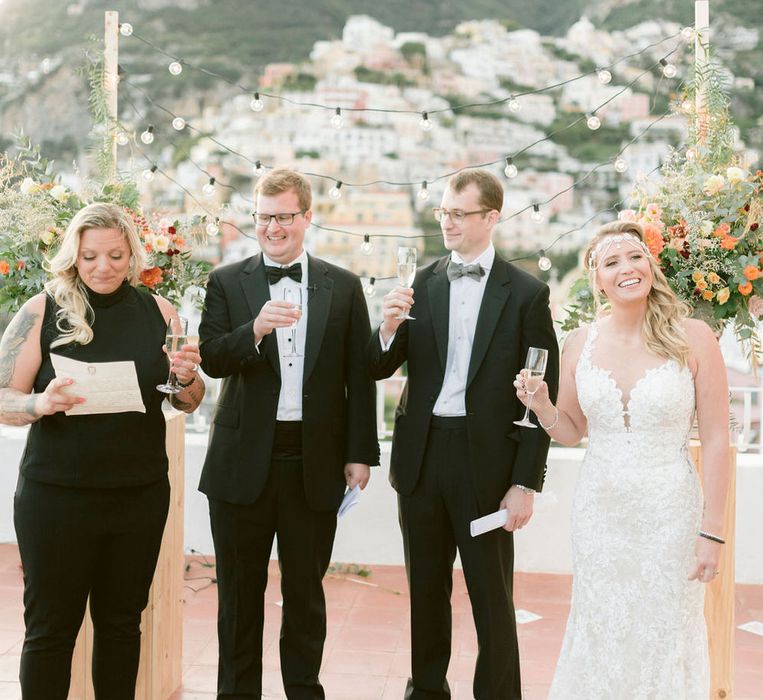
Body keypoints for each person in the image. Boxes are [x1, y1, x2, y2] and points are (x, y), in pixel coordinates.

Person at [515, 221, 730, 698]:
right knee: (602, 624)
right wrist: (543, 405)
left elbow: (716, 440)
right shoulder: (578, 342)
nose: (627, 268)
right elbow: (570, 431)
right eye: (611, 262)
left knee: (666, 630)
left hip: (671, 514)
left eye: (635, 257)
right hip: (600, 515)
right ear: (597, 280)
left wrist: (712, 532)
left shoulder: (695, 337)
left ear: (650, 265)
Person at [0, 202, 204, 699]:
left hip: (137, 496)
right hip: (56, 499)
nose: (103, 266)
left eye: (115, 255)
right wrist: (40, 402)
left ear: (132, 254)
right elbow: (3, 399)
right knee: (50, 629)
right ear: (75, 255)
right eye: (91, 256)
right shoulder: (41, 309)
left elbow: (189, 401)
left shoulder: (159, 311)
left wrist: (186, 377)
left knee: (121, 624)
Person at [369, 168, 559, 700]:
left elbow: (542, 395)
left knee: (492, 601)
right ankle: (425, 692)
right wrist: (385, 328)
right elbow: (377, 368)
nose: (446, 222)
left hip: (488, 466)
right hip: (422, 460)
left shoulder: (527, 294)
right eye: (443, 212)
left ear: (491, 217)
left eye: (458, 213)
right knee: (425, 596)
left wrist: (525, 482)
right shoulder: (420, 284)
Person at [198, 168, 379, 699]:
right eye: (263, 217)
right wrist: (254, 329)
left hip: (314, 462)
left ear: (306, 217)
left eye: (284, 217)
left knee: (305, 596)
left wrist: (359, 453)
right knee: (238, 598)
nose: (273, 228)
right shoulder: (227, 282)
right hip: (240, 463)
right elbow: (210, 360)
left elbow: (358, 377)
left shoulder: (343, 286)